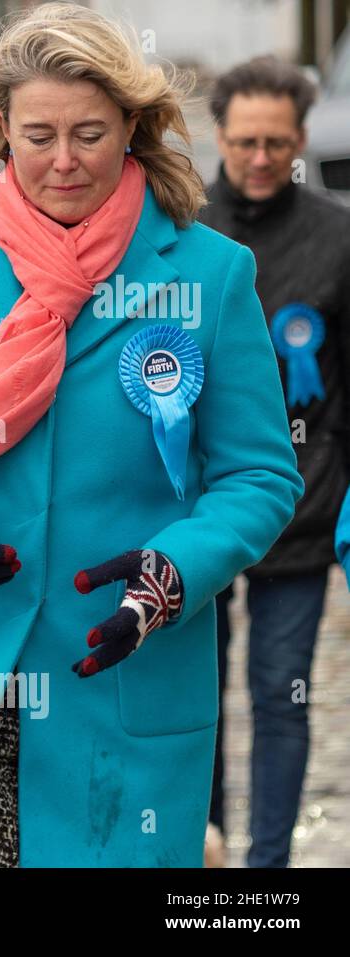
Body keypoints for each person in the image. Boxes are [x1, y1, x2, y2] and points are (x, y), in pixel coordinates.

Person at [0, 2, 302, 867]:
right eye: (38, 133)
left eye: (90, 133)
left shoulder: (212, 271)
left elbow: (261, 476)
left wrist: (171, 573)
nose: (64, 161)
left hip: (118, 669)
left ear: (133, 124)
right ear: (1, 126)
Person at [199, 55, 350, 868]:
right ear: (218, 136)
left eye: (278, 143)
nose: (262, 157)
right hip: (198, 512)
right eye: (246, 141)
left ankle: (267, 870)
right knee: (197, 698)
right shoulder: (180, 229)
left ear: (298, 140)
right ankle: (205, 850)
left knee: (281, 696)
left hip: (303, 508)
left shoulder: (337, 235)